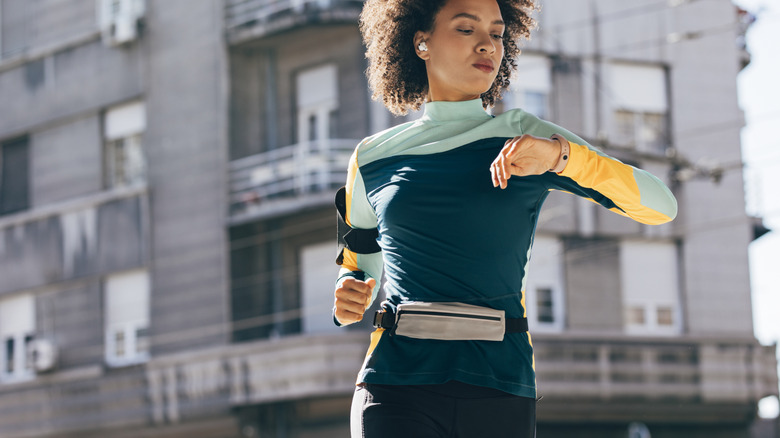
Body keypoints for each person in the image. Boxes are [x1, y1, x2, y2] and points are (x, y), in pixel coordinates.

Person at [332, 0, 678, 436]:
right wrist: (349, 291)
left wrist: (560, 157)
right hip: (393, 385)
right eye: (465, 29)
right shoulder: (373, 157)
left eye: (496, 33)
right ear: (421, 41)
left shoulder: (526, 136)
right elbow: (361, 256)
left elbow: (661, 205)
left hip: (500, 386)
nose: (487, 45)